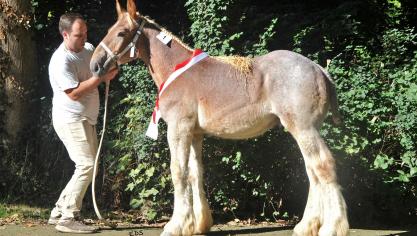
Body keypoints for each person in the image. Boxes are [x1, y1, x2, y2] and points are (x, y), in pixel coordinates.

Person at [47, 13, 118, 234]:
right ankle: (68, 217)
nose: (84, 37)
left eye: (85, 32)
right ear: (65, 34)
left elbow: (104, 68)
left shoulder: (87, 48)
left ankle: (59, 211)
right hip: (70, 119)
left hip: (87, 118)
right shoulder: (61, 60)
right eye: (79, 35)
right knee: (86, 165)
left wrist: (110, 70)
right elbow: (75, 93)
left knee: (90, 167)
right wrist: (100, 78)